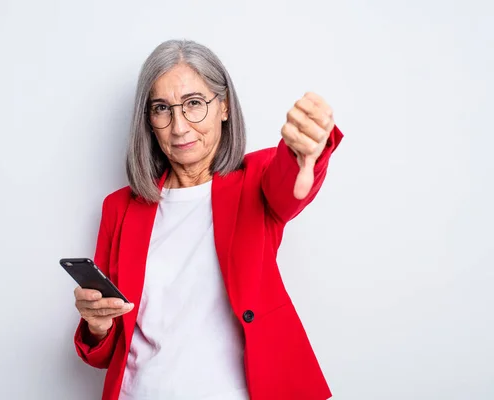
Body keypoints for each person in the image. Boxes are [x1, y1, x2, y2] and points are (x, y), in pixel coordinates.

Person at [73, 39, 343, 400]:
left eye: (194, 104)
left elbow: (290, 181)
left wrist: (307, 147)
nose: (179, 127)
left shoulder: (256, 179)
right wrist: (97, 325)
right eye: (161, 108)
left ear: (225, 106)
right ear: (148, 120)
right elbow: (106, 353)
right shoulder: (119, 209)